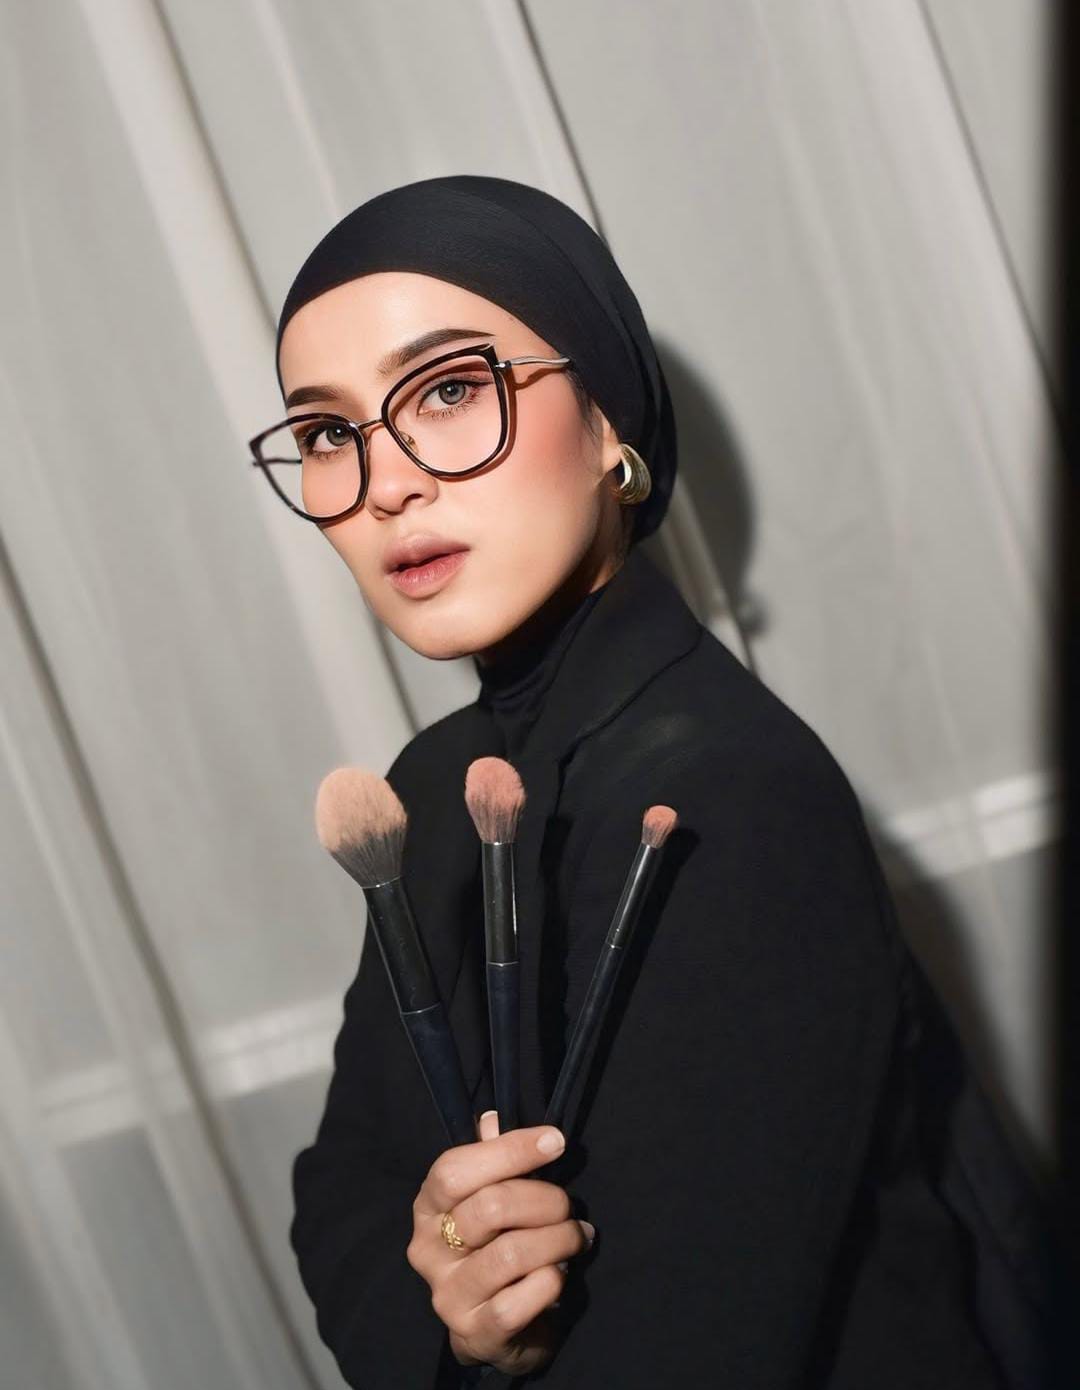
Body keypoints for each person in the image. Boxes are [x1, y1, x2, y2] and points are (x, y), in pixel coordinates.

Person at [262, 176, 1016, 1388]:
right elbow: (338, 1195)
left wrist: (495, 1327)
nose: (385, 482)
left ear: (608, 419)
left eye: (448, 390)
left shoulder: (731, 797)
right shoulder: (433, 786)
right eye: (326, 434)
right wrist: (454, 1301)